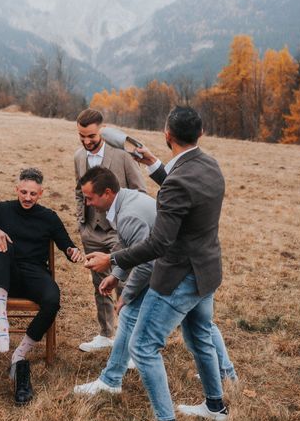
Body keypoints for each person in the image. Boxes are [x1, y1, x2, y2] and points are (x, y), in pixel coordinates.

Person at [85, 106, 231, 421]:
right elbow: (183, 190)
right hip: (207, 269)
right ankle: (215, 406)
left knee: (143, 346)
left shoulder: (179, 182)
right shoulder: (209, 165)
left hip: (180, 275)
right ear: (201, 134)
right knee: (200, 337)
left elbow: (158, 244)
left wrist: (112, 259)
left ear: (167, 135)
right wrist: (153, 165)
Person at [73, 167, 236, 399]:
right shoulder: (127, 198)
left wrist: (126, 295)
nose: (87, 203)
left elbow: (146, 263)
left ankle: (111, 379)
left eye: (89, 198)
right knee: (201, 323)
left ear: (107, 193)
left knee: (130, 316)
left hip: (172, 269)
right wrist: (116, 275)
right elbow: (129, 245)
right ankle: (226, 373)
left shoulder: (129, 215)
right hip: (194, 265)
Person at [0, 168, 83, 405]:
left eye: (33, 193)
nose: (27, 197)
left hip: (35, 273)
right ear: (17, 190)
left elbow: (67, 244)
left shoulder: (49, 216)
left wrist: (73, 251)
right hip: (7, 274)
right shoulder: (1, 209)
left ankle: (20, 352)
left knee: (53, 299)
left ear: (40, 194)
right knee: (3, 246)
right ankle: (2, 317)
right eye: (23, 192)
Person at [73, 108, 146, 353]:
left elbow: (139, 191)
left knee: (124, 281)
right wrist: (81, 222)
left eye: (91, 136)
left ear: (102, 131)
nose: (86, 141)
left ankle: (130, 339)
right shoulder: (78, 157)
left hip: (119, 232)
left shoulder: (122, 156)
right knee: (99, 283)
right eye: (81, 136)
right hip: (91, 231)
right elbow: (78, 191)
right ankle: (106, 333)